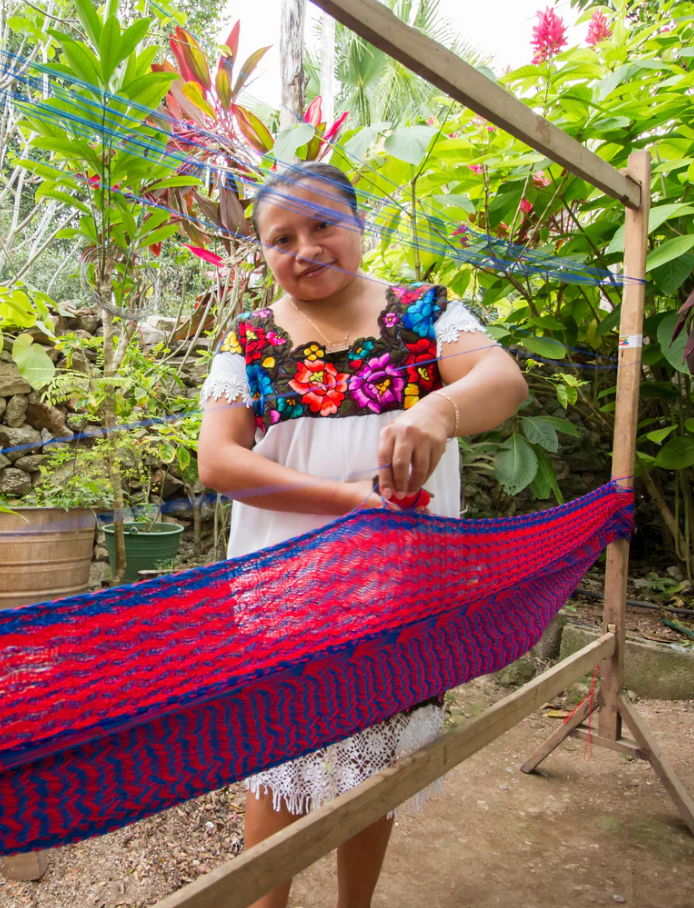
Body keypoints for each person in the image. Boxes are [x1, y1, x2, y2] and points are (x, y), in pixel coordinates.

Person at [196, 162, 529, 908]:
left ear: (359, 224)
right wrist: (349, 499)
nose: (304, 248)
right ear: (261, 251)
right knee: (278, 756)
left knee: (372, 766)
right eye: (280, 238)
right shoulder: (248, 340)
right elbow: (218, 461)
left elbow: (502, 384)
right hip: (284, 587)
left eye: (322, 225)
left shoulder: (425, 314)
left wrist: (438, 411)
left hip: (402, 590)